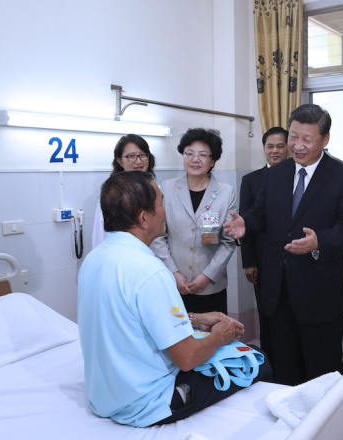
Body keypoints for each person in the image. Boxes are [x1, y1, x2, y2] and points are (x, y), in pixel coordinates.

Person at [78, 171, 269, 427]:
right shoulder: (151, 272)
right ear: (144, 218)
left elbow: (127, 320)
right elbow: (187, 358)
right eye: (160, 203)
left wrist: (194, 319)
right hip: (146, 404)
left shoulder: (94, 259)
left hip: (103, 398)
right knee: (257, 359)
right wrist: (220, 336)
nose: (165, 211)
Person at [224, 104, 343, 385]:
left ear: (325, 139)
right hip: (277, 291)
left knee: (321, 371)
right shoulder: (276, 174)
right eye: (294, 137)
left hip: (319, 294)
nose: (298, 146)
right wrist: (246, 224)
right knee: (282, 368)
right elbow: (261, 213)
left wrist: (319, 241)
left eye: (306, 139)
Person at [151, 128, 236, 314]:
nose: (195, 159)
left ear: (213, 160)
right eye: (189, 153)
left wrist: (207, 276)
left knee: (213, 330)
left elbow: (228, 242)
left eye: (203, 155)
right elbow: (158, 236)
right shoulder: (168, 188)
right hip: (174, 283)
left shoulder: (225, 192)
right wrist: (173, 273)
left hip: (211, 286)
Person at [239, 126, 289, 359]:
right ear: (264, 149)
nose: (275, 151)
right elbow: (245, 224)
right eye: (270, 146)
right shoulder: (251, 180)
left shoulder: (298, 177)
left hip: (294, 259)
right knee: (267, 312)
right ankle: (270, 361)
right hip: (262, 260)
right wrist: (249, 262)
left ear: (288, 148)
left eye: (280, 146)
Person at [92, 134, 156, 248]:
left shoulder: (157, 190)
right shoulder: (111, 195)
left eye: (142, 155)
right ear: (119, 161)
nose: (138, 161)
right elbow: (99, 237)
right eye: (131, 156)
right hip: (120, 254)